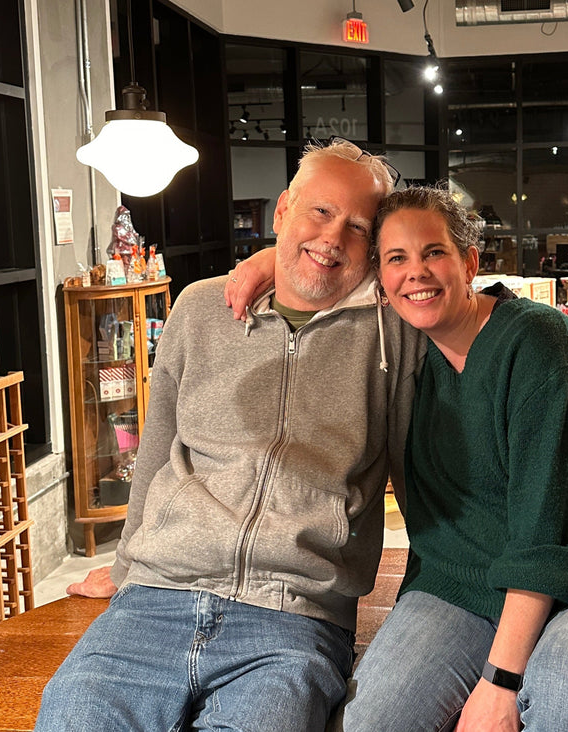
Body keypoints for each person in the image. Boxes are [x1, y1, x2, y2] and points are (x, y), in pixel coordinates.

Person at [35, 138, 424, 732]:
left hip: (296, 620)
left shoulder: (394, 333)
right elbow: (157, 448)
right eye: (319, 212)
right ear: (282, 211)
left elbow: (462, 291)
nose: (332, 237)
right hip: (155, 600)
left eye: (358, 227)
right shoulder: (199, 308)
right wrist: (124, 569)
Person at [337, 186, 568, 731]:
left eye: (434, 253)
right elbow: (314, 278)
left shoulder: (541, 344)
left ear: (470, 261)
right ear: (380, 277)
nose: (415, 273)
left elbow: (547, 534)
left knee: (566, 693)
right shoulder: (404, 353)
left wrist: (500, 682)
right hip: (458, 585)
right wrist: (262, 263)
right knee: (370, 722)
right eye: (396, 258)